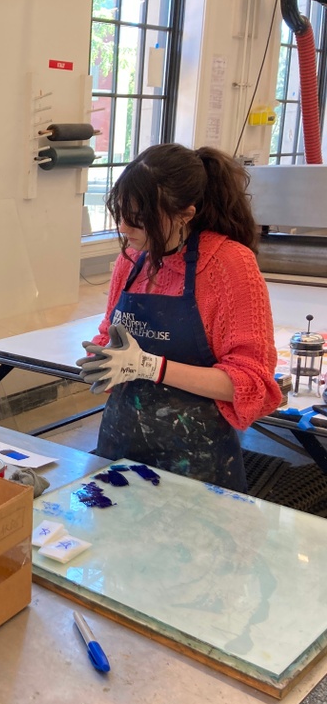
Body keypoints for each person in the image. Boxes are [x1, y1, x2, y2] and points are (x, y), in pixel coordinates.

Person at [76, 143, 281, 493]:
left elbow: (253, 382)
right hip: (121, 444)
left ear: (185, 213)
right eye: (120, 214)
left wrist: (152, 367)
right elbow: (108, 332)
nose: (125, 228)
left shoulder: (229, 265)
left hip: (196, 460)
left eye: (138, 218)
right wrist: (104, 359)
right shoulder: (133, 258)